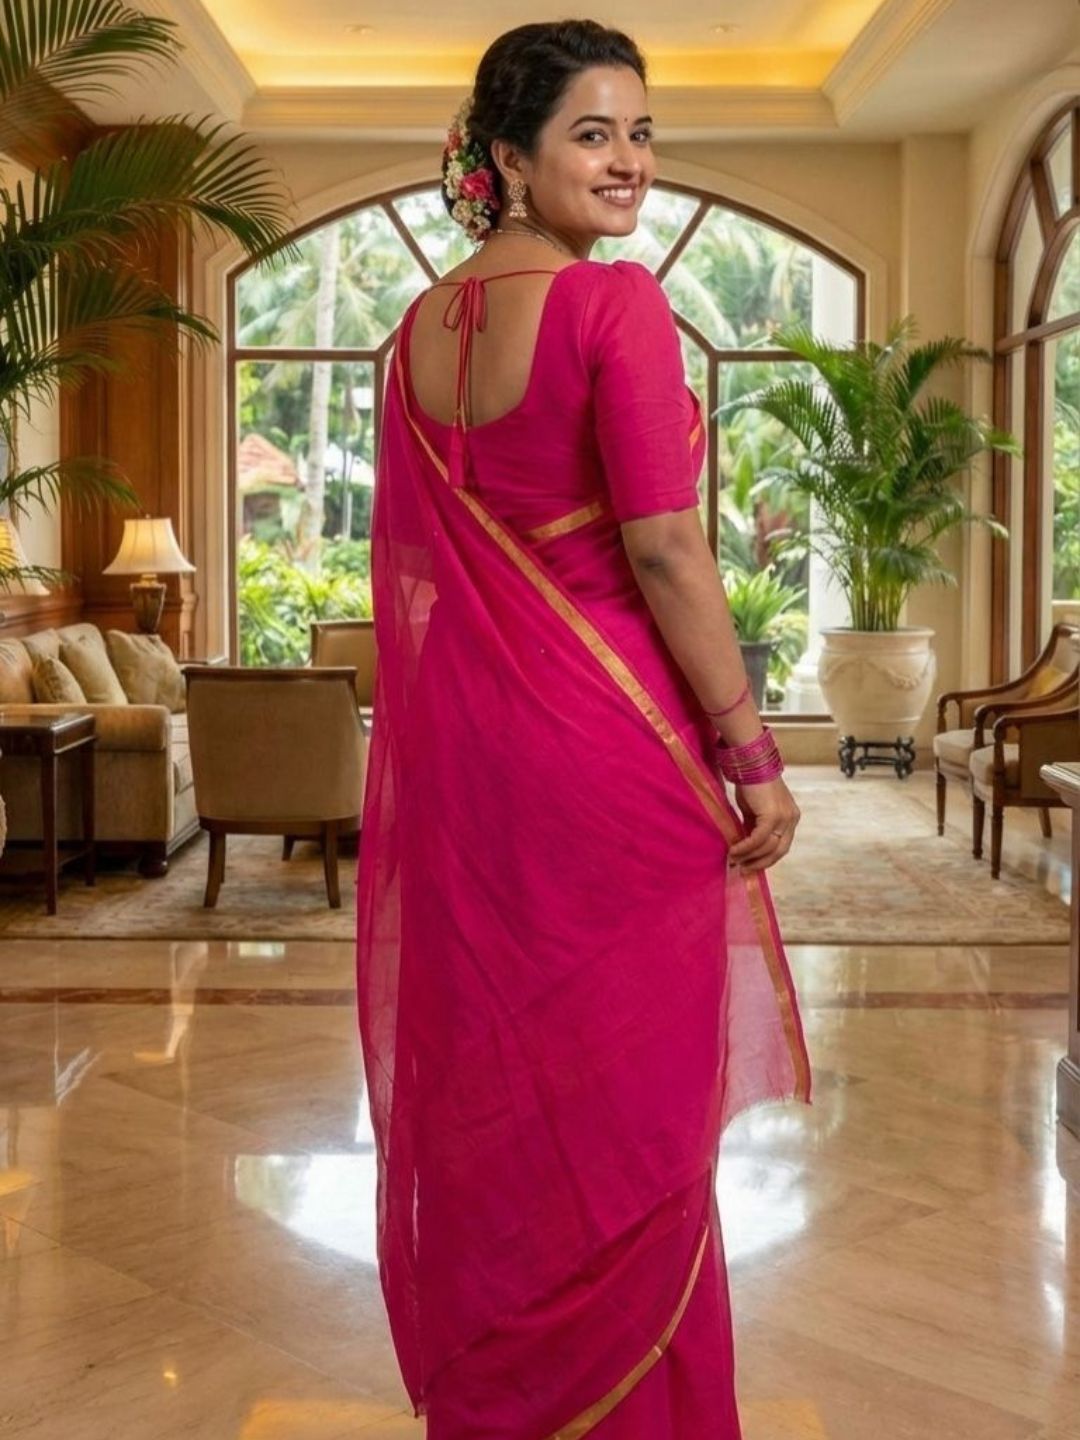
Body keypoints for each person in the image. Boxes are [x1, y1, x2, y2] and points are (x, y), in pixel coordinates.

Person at [356, 19, 812, 1438]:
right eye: (592, 135)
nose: (629, 163)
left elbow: (423, 575)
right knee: (626, 1095)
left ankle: (509, 1398)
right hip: (612, 752)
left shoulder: (411, 336)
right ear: (508, 157)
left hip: (472, 754)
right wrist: (750, 750)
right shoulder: (614, 306)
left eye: (641, 132)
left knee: (499, 1071)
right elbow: (667, 549)